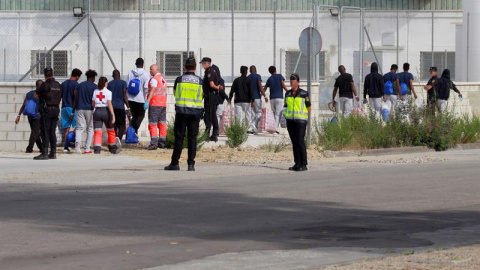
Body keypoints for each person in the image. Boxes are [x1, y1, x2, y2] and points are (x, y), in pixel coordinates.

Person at [165, 57, 203, 171]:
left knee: (179, 138)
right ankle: (191, 164)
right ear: (195, 67)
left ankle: (175, 163)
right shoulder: (200, 81)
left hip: (181, 112)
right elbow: (202, 95)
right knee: (192, 138)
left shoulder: (179, 79)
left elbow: (175, 93)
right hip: (195, 112)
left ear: (185, 66)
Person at [283, 73, 311, 172]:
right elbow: (285, 107)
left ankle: (303, 164)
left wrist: (305, 119)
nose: (291, 82)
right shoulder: (288, 93)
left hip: (301, 122)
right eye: (290, 81)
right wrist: (284, 117)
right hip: (290, 121)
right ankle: (297, 163)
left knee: (300, 142)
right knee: (294, 142)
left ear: (298, 82)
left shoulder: (304, 94)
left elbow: (309, 107)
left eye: (293, 80)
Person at [33, 68, 62, 160]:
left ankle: (45, 153)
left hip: (47, 111)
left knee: (45, 131)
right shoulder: (58, 85)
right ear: (53, 73)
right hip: (56, 110)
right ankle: (53, 153)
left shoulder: (45, 85)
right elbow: (60, 96)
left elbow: (35, 95)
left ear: (45, 75)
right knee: (52, 131)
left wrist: (43, 97)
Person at [91, 77, 120, 155]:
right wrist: (113, 115)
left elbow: (93, 103)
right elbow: (109, 104)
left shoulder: (95, 91)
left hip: (97, 111)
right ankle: (113, 148)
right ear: (105, 83)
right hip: (106, 111)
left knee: (97, 131)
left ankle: (97, 149)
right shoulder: (108, 92)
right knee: (110, 130)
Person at [72, 69, 98, 154]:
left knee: (79, 128)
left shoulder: (79, 86)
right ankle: (87, 148)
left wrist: (73, 110)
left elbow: (75, 99)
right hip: (90, 109)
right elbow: (94, 100)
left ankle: (77, 146)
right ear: (93, 77)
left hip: (79, 108)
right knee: (90, 128)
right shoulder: (94, 87)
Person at [15, 80, 44, 153]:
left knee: (35, 132)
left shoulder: (29, 94)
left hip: (29, 116)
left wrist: (19, 115)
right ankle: (29, 148)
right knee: (35, 132)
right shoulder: (41, 94)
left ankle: (41, 148)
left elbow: (24, 105)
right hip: (37, 116)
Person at [145, 64, 168, 150]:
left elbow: (153, 90)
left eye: (151, 69)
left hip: (155, 104)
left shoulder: (154, 79)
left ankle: (154, 143)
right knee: (162, 123)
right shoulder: (163, 80)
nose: (150, 71)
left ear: (156, 69)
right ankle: (162, 142)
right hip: (163, 104)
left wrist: (147, 101)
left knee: (153, 124)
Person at [201, 57, 224, 142]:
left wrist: (217, 87)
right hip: (211, 96)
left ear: (207, 63)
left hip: (210, 97)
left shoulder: (209, 71)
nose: (202, 65)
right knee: (213, 114)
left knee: (208, 115)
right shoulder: (211, 71)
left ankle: (207, 134)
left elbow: (211, 84)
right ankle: (214, 133)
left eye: (203, 63)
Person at [126, 58, 151, 134]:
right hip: (140, 99)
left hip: (130, 99)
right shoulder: (146, 74)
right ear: (143, 64)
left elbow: (127, 85)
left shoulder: (130, 73)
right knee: (141, 115)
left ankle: (132, 133)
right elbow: (146, 88)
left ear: (135, 64)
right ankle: (134, 128)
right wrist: (146, 97)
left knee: (134, 116)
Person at [60, 68, 82, 153]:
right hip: (72, 108)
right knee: (77, 127)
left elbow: (60, 95)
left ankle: (66, 147)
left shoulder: (63, 84)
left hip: (64, 107)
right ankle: (73, 142)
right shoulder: (76, 84)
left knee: (66, 128)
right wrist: (74, 110)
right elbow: (76, 97)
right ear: (77, 76)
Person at [263, 66, 287, 134]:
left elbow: (264, 88)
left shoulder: (269, 79)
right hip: (279, 98)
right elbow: (283, 84)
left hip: (272, 99)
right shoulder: (279, 76)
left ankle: (273, 128)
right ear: (275, 70)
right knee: (278, 114)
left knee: (274, 114)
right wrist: (288, 91)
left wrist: (263, 95)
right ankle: (275, 129)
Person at [109, 69, 129, 145]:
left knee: (114, 123)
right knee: (122, 124)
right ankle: (119, 138)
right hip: (120, 106)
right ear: (119, 75)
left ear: (113, 76)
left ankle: (114, 137)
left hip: (112, 107)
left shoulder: (110, 84)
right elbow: (124, 95)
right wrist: (128, 106)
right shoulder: (123, 83)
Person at [248, 65, 263, 134]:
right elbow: (259, 86)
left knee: (253, 113)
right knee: (259, 112)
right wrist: (264, 94)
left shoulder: (248, 77)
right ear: (256, 70)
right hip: (257, 97)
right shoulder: (258, 76)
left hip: (250, 98)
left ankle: (255, 129)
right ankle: (254, 124)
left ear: (250, 70)